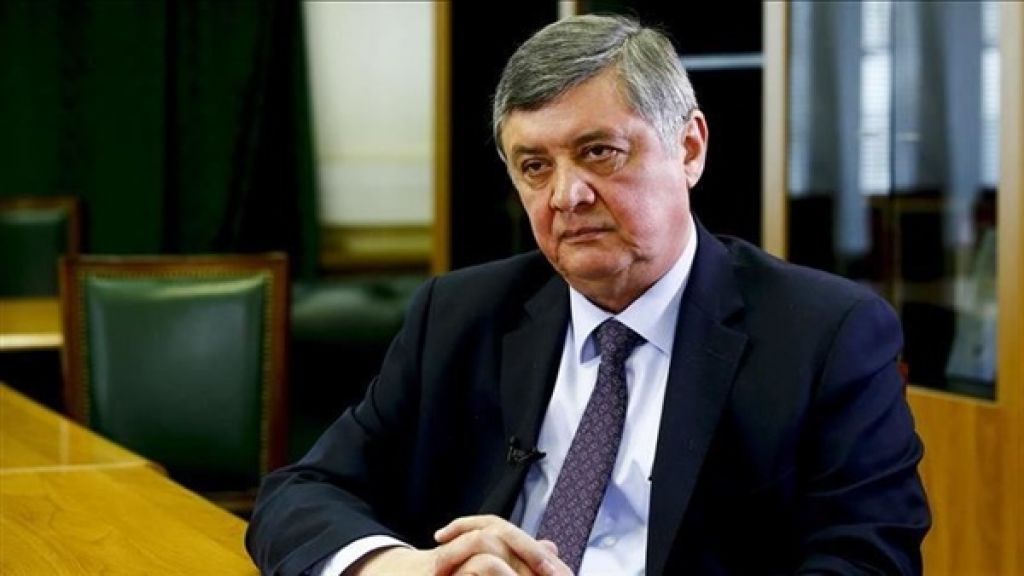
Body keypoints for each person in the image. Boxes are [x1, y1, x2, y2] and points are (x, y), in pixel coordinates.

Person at [246, 14, 930, 576]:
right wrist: (408, 568)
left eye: (600, 152)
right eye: (534, 166)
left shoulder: (826, 335)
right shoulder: (457, 315)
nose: (566, 196)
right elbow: (299, 494)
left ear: (689, 148)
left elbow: (870, 560)